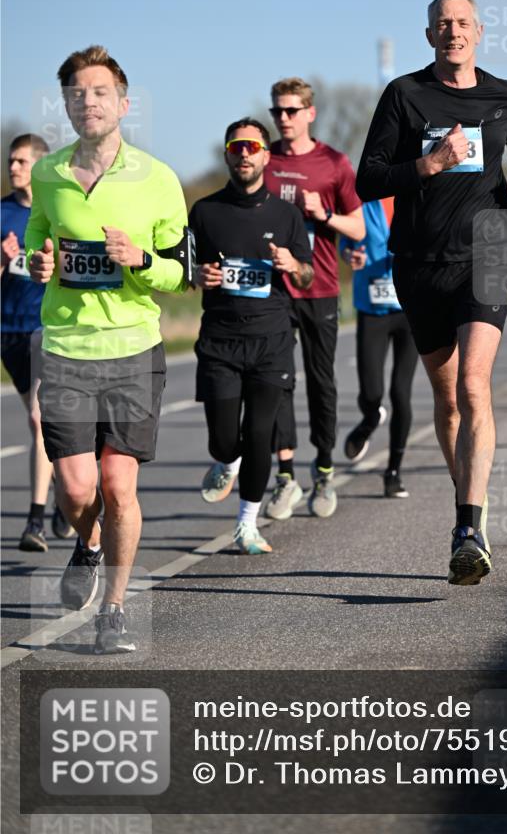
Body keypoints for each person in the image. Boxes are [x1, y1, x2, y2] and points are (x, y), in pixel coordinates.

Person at [356, 0, 507, 586]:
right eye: (443, 23)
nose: (454, 31)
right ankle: (468, 507)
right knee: (446, 399)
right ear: (429, 33)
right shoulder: (404, 94)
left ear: (479, 31)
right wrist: (428, 165)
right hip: (420, 260)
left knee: (473, 383)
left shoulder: (504, 95)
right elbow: (368, 180)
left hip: (487, 252)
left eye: (464, 22)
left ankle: (469, 524)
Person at [26, 45, 189, 653]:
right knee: (74, 490)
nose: (87, 101)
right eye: (76, 93)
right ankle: (87, 542)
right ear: (65, 105)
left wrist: (140, 260)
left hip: (133, 347)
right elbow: (37, 245)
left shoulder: (158, 178)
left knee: (119, 485)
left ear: (123, 103)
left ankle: (114, 608)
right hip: (67, 347)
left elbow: (181, 272)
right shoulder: (48, 175)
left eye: (99, 92)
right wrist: (38, 263)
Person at [189, 119, 313, 553]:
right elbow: (186, 272)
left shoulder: (286, 214)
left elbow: (309, 271)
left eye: (252, 147)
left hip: (271, 339)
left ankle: (247, 523)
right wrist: (198, 274)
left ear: (266, 156)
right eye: (236, 146)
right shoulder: (204, 211)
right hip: (220, 340)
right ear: (227, 154)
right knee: (225, 438)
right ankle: (227, 460)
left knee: (261, 433)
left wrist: (292, 266)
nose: (244, 154)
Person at [263, 77, 365, 520]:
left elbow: (359, 229)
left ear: (310, 113)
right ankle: (285, 476)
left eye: (291, 111)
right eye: (277, 112)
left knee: (321, 383)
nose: (283, 119)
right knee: (275, 383)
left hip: (320, 287)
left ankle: (323, 468)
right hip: (271, 290)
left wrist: (323, 215)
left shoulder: (334, 163)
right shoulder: (262, 160)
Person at [1, 133, 74, 551]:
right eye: (11, 160)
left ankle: (35, 520)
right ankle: (67, 495)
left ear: (41, 167)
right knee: (49, 426)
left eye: (22, 161)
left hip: (46, 328)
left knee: (36, 418)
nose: (13, 167)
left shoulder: (56, 211)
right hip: (7, 332)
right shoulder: (2, 214)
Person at [341, 198, 419, 497]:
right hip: (371, 309)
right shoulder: (362, 202)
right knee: (371, 392)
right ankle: (370, 419)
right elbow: (346, 244)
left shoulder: (418, 195)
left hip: (410, 310)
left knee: (401, 392)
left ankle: (393, 471)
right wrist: (350, 256)